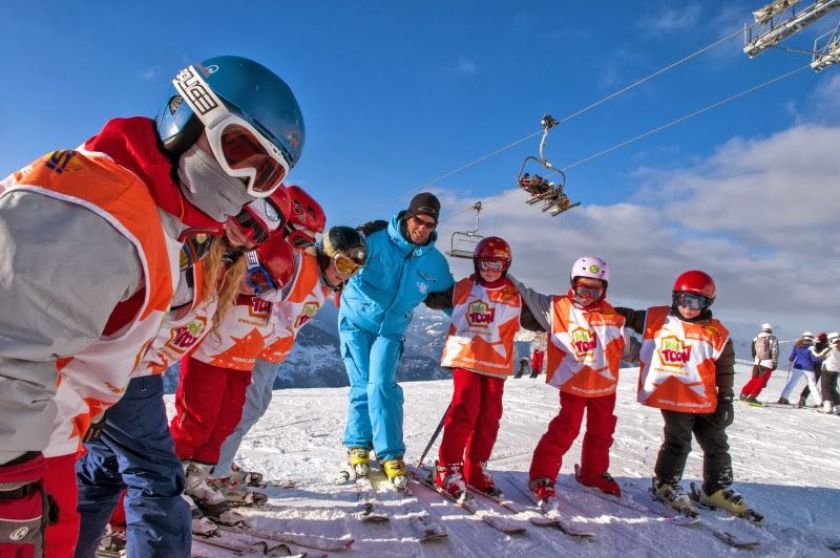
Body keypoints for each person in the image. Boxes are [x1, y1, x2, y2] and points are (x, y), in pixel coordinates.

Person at [0, 54, 304, 557]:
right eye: (238, 151)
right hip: (23, 463)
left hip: (51, 444)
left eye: (265, 175)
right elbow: (10, 350)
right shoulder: (100, 203)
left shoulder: (155, 218)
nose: (245, 185)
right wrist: (12, 490)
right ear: (186, 117)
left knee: (101, 474)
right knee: (153, 476)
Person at [72, 193, 290, 558]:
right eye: (247, 223)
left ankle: (72, 545)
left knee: (104, 470)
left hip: (126, 376)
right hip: (125, 376)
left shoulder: (217, 263)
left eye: (260, 236)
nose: (248, 237)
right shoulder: (188, 249)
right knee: (158, 479)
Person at [212, 225, 368, 496]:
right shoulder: (300, 265)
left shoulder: (323, 281)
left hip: (271, 350)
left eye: (353, 269)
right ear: (326, 254)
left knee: (256, 406)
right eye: (342, 263)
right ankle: (215, 472)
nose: (345, 273)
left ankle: (219, 462)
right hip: (252, 345)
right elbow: (257, 258)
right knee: (243, 409)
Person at [340, 192, 454, 488]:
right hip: (355, 321)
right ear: (408, 216)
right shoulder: (375, 240)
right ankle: (358, 445)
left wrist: (477, 325)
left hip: (391, 330)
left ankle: (390, 454)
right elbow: (331, 252)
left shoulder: (434, 262)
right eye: (419, 221)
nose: (423, 229)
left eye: (430, 224)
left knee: (382, 385)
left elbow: (453, 299)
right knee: (363, 383)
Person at [617, 270, 750, 516]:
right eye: (683, 300)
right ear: (675, 298)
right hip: (672, 395)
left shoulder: (717, 333)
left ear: (708, 303)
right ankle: (665, 483)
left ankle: (715, 489)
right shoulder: (658, 318)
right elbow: (623, 316)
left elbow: (724, 368)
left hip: (704, 398)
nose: (688, 307)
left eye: (696, 302)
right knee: (678, 442)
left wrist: (726, 399)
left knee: (717, 444)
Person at [422, 237, 533, 499]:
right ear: (476, 262)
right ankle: (448, 467)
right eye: (485, 264)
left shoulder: (516, 295)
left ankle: (475, 467)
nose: (490, 270)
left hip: (496, 362)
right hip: (466, 357)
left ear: (506, 265)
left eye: (497, 264)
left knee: (490, 416)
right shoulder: (464, 287)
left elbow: (542, 318)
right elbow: (431, 297)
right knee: (465, 409)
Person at [510, 257, 627, 502]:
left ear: (604, 289)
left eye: (594, 290)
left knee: (602, 430)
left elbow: (629, 347)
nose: (586, 295)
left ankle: (593, 473)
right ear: (573, 284)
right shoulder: (558, 307)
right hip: (574, 383)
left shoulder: (613, 316)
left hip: (604, 385)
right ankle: (542, 474)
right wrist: (502, 272)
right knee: (566, 427)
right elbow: (526, 294)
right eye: (582, 288)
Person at [777, 332, 822, 406]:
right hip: (808, 368)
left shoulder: (798, 345)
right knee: (812, 385)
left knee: (792, 382)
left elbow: (792, 356)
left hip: (797, 367)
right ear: (811, 338)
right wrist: (820, 359)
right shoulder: (812, 347)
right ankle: (819, 403)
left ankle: (783, 398)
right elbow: (814, 359)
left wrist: (791, 360)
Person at [738, 323, 779, 403]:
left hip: (757, 363)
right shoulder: (772, 339)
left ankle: (744, 394)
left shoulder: (756, 338)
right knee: (761, 381)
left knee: (754, 379)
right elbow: (775, 351)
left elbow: (753, 352)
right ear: (771, 330)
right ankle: (752, 397)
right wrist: (774, 363)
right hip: (767, 363)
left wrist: (757, 359)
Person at [799, 332, 827, 407]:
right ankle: (822, 402)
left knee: (812, 383)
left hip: (815, 366)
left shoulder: (816, 345)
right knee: (822, 385)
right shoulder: (825, 346)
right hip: (822, 367)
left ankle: (803, 398)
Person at [815, 332, 840, 414]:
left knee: (825, 388)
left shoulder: (831, 347)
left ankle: (827, 407)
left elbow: (820, 356)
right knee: (833, 388)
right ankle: (837, 407)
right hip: (836, 370)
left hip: (827, 369)